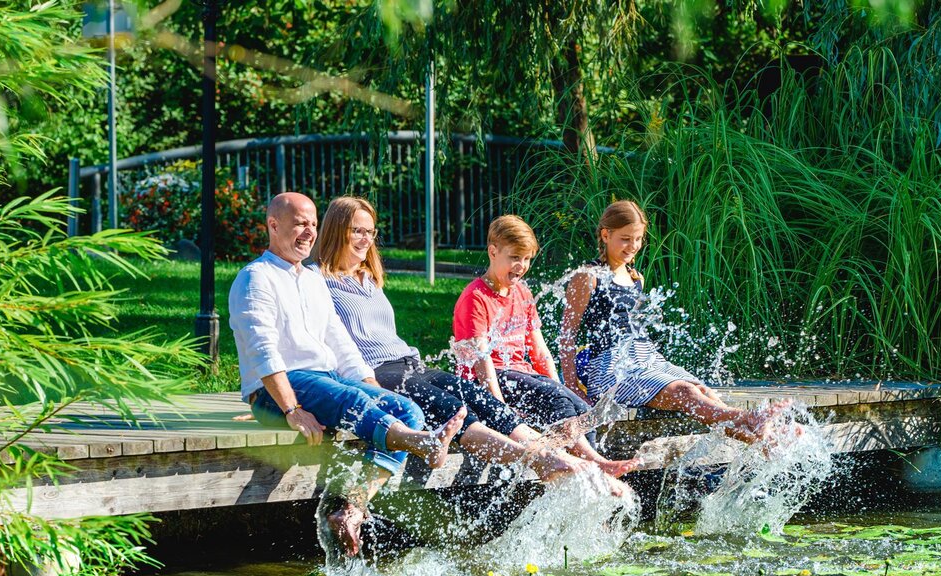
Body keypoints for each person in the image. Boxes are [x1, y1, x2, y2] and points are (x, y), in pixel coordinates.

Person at [313, 196, 638, 484]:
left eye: (370, 232)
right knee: (455, 410)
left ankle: (570, 461)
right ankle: (547, 460)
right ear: (336, 230)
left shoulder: (369, 279)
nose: (365, 239)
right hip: (375, 372)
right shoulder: (317, 280)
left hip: (409, 363)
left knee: (478, 400)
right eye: (357, 230)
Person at [228, 192, 465, 558]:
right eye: (299, 224)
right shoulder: (254, 279)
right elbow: (263, 351)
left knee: (405, 410)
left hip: (327, 381)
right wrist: (291, 409)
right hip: (280, 390)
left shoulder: (311, 279)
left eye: (312, 224)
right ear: (274, 225)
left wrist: (374, 391)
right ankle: (421, 443)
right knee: (353, 400)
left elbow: (340, 343)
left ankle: (351, 509)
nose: (309, 232)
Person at [558, 199, 789, 444]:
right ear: (606, 235)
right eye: (625, 238)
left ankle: (767, 441)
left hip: (647, 358)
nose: (633, 246)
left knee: (702, 391)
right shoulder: (588, 277)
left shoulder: (636, 278)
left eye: (638, 239)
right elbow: (567, 334)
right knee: (685, 392)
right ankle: (752, 417)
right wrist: (571, 385)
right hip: (610, 368)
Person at [451, 215, 630, 471]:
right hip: (490, 382)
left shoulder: (522, 292)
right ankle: (595, 465)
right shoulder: (476, 298)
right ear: (493, 251)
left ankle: (570, 470)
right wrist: (500, 410)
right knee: (558, 402)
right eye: (515, 257)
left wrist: (558, 384)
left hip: (521, 376)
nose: (521, 266)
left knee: (581, 409)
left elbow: (540, 351)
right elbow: (482, 362)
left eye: (527, 259)